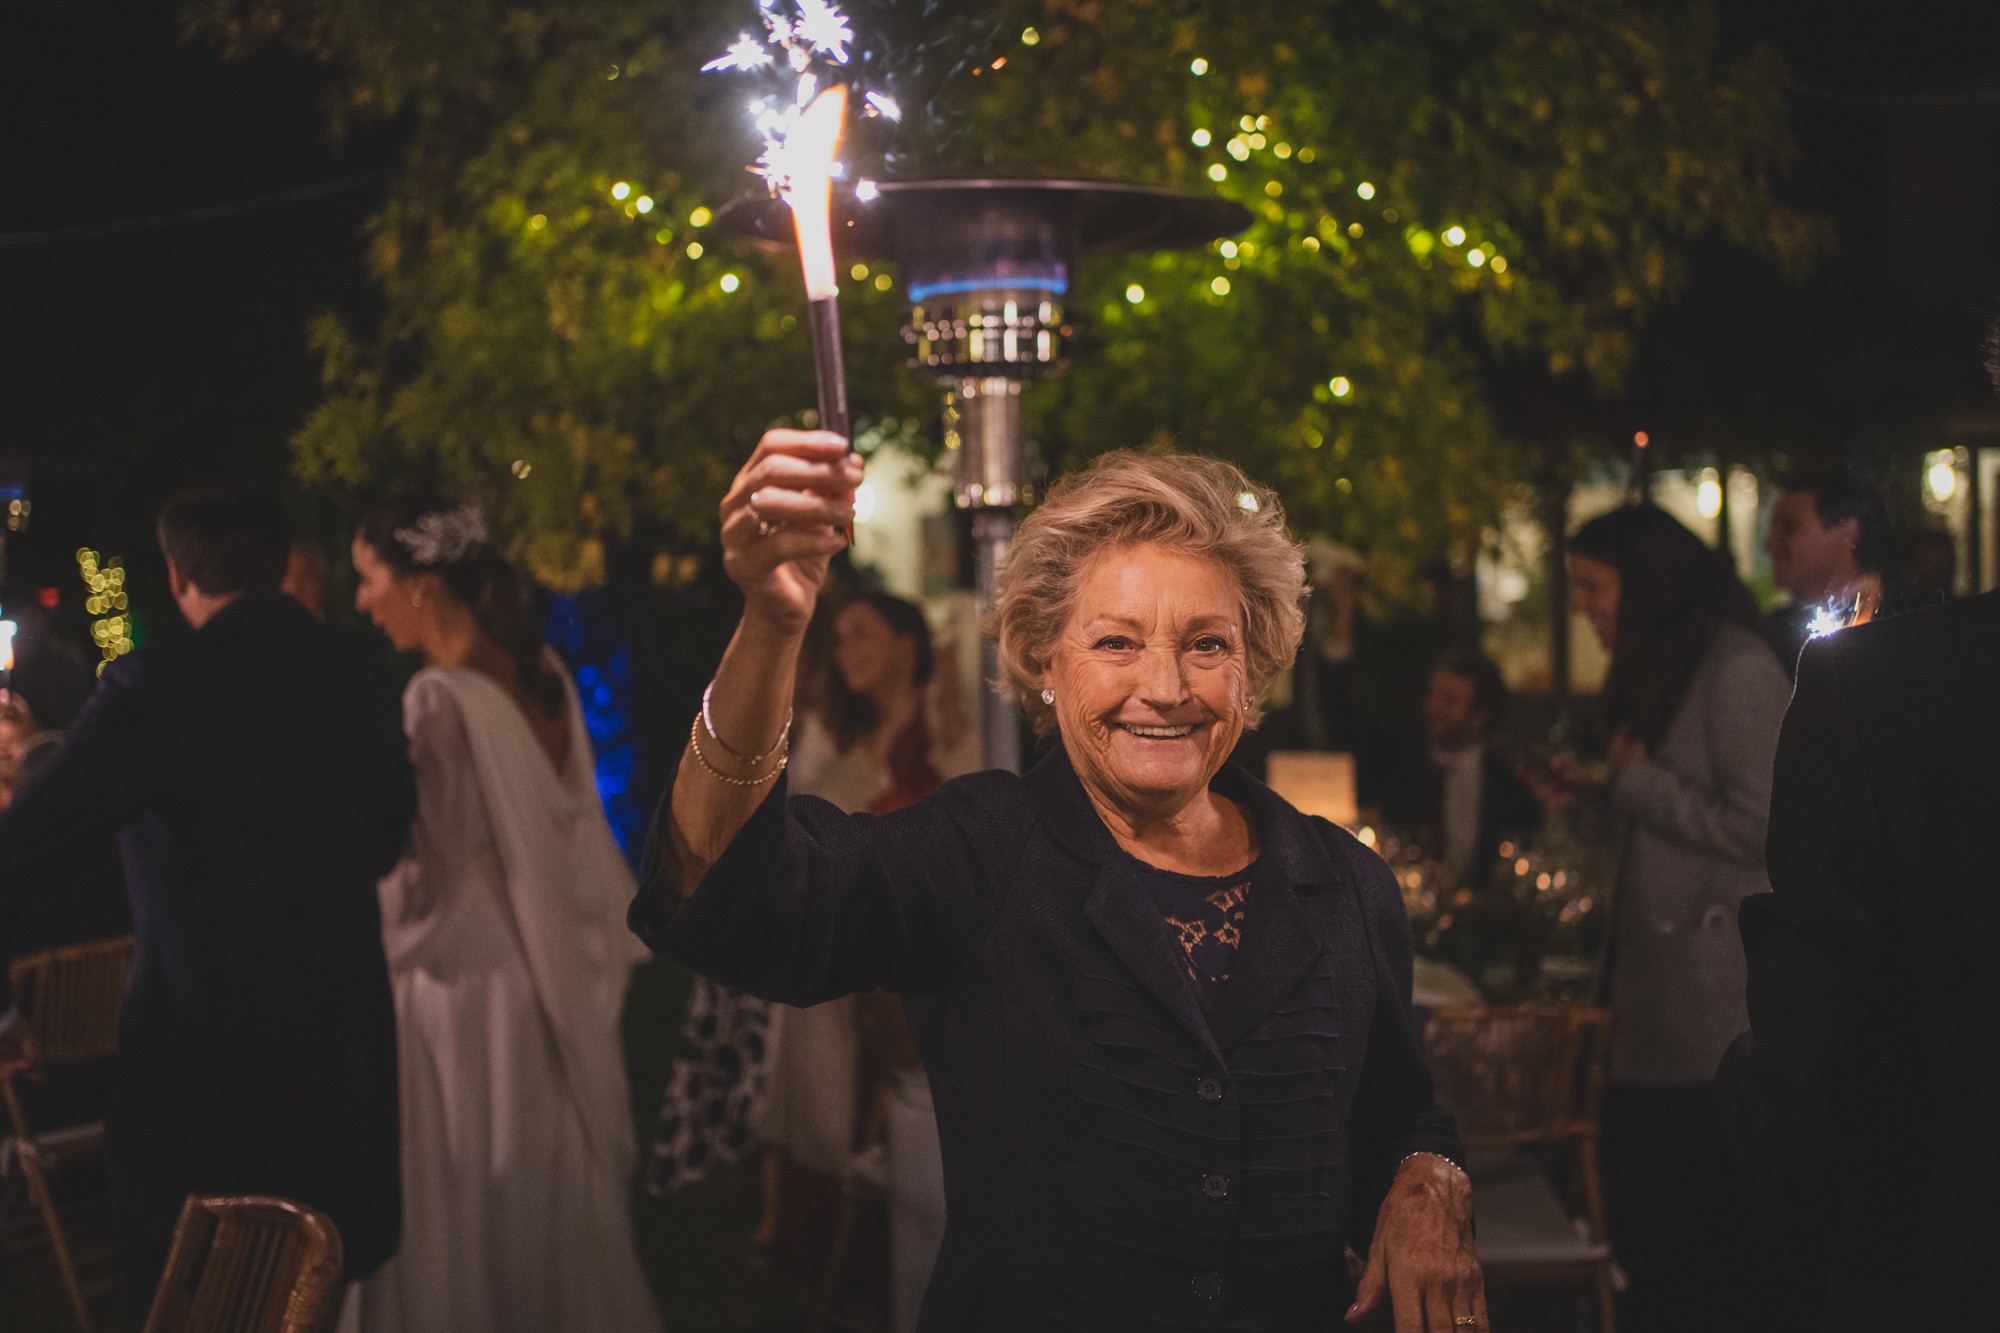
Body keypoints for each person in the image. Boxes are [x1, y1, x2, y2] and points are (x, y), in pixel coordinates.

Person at [635, 436, 1486, 1331]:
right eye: (1116, 641)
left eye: (1206, 643)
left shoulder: (1344, 884)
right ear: (1044, 660)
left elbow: (1395, 1112)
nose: (1164, 687)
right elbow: (726, 900)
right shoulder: (979, 851)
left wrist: (1433, 1172)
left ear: (1254, 662)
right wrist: (771, 626)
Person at [0, 482, 414, 1301]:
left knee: (197, 1294)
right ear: (280, 563)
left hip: (203, 1075)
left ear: (177, 571)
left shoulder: (153, 687)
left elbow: (27, 846)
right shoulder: (361, 672)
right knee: (314, 1291)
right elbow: (385, 838)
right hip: (337, 1059)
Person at [337, 497, 661, 1333]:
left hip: (465, 983)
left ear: (418, 585)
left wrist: (361, 931)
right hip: (545, 968)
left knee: (467, 1178)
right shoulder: (543, 671)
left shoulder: (436, 699)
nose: (362, 600)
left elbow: (433, 877)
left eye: (368, 579)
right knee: (544, 1179)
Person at [653, 590, 977, 1244]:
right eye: (841, 637)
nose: (845, 649)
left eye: (861, 633)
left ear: (906, 644)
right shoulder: (847, 741)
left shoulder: (952, 728)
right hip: (855, 949)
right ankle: (820, 1180)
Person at [1566, 503, 1791, 1332]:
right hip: (1649, 1009)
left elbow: (1763, 824)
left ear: (1646, 585)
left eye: (1594, 586)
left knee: (1694, 1239)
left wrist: (1634, 785)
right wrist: (1593, 800)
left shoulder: (1735, 671)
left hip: (1706, 1020)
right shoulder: (1658, 668)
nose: (1583, 606)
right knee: (1653, 1233)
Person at [1377, 648, 1541, 886]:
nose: (1434, 707)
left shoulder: (1511, 787)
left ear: (1480, 716)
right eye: (1433, 695)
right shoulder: (1399, 767)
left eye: (1449, 700)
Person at [1761, 464, 1887, 679]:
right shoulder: (1770, 638)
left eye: (1789, 527)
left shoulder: (1905, 626)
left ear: (1848, 531)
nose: (1770, 544)